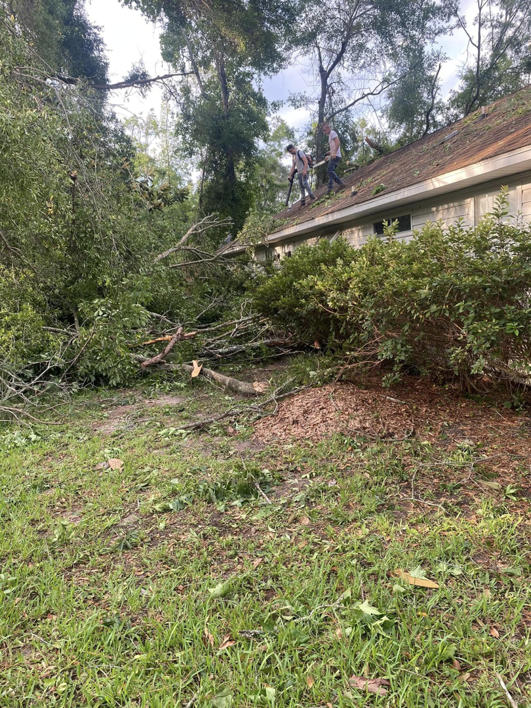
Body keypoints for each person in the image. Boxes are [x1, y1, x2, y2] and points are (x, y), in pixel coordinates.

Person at [321, 123, 346, 195]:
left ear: (328, 128)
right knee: (331, 173)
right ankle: (330, 189)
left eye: (324, 130)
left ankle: (340, 183)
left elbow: (338, 142)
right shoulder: (330, 136)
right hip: (334, 155)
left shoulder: (332, 133)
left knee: (329, 170)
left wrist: (334, 153)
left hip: (336, 155)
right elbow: (333, 147)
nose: (324, 132)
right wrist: (328, 153)